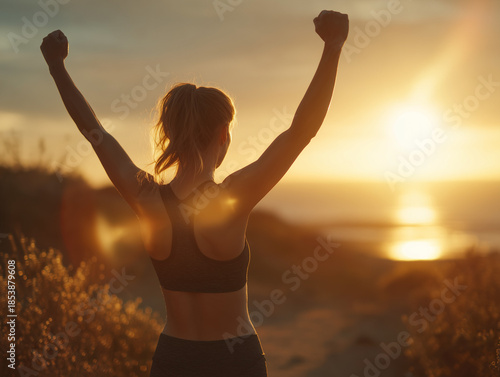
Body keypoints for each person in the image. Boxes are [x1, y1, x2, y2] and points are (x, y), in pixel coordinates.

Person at [40, 9, 349, 377]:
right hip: (236, 361)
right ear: (223, 134)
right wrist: (333, 46)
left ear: (170, 135)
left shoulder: (146, 199)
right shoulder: (232, 198)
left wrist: (56, 67)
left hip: (173, 360)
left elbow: (95, 133)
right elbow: (301, 131)